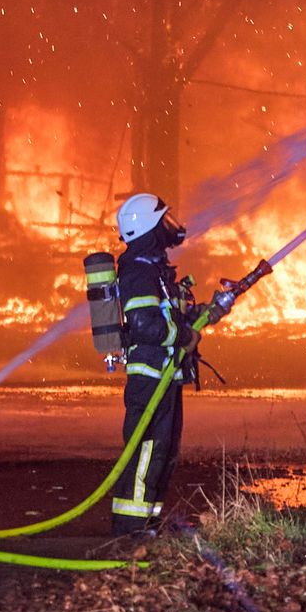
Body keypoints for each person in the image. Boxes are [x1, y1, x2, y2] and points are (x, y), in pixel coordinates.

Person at [103, 192, 196, 537]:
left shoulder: (153, 270)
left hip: (165, 374)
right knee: (147, 449)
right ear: (150, 228)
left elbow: (168, 318)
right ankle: (131, 526)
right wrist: (183, 336)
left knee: (163, 451)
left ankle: (147, 521)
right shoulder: (139, 272)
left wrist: (204, 314)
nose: (171, 227)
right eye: (164, 221)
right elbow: (146, 325)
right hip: (151, 375)